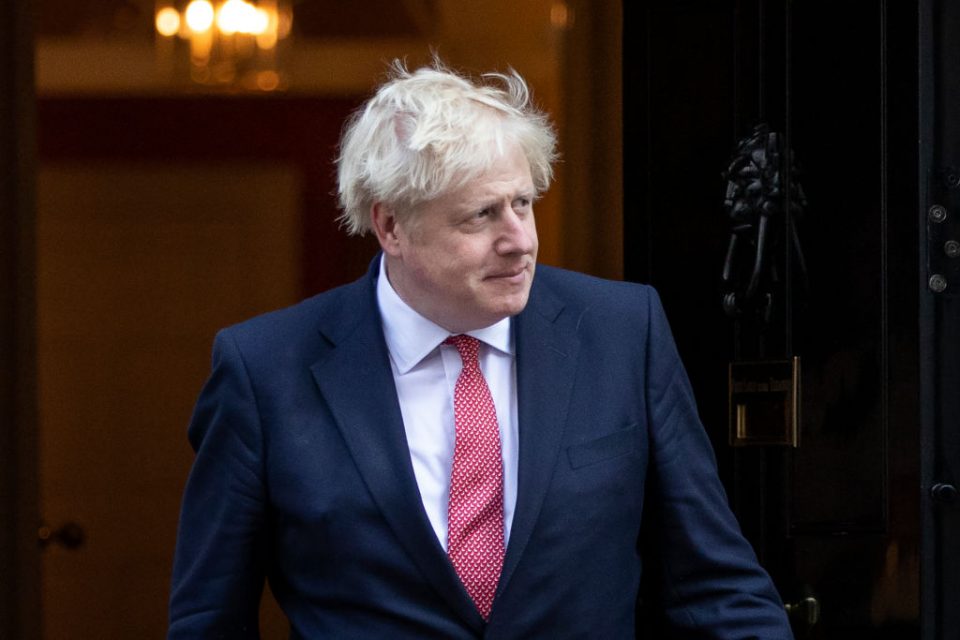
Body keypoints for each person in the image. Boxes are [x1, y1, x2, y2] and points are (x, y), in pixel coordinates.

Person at [168, 59, 794, 639]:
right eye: (481, 215)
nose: (520, 240)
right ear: (390, 225)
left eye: (523, 203)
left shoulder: (623, 332)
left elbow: (716, 586)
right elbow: (209, 618)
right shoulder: (264, 370)